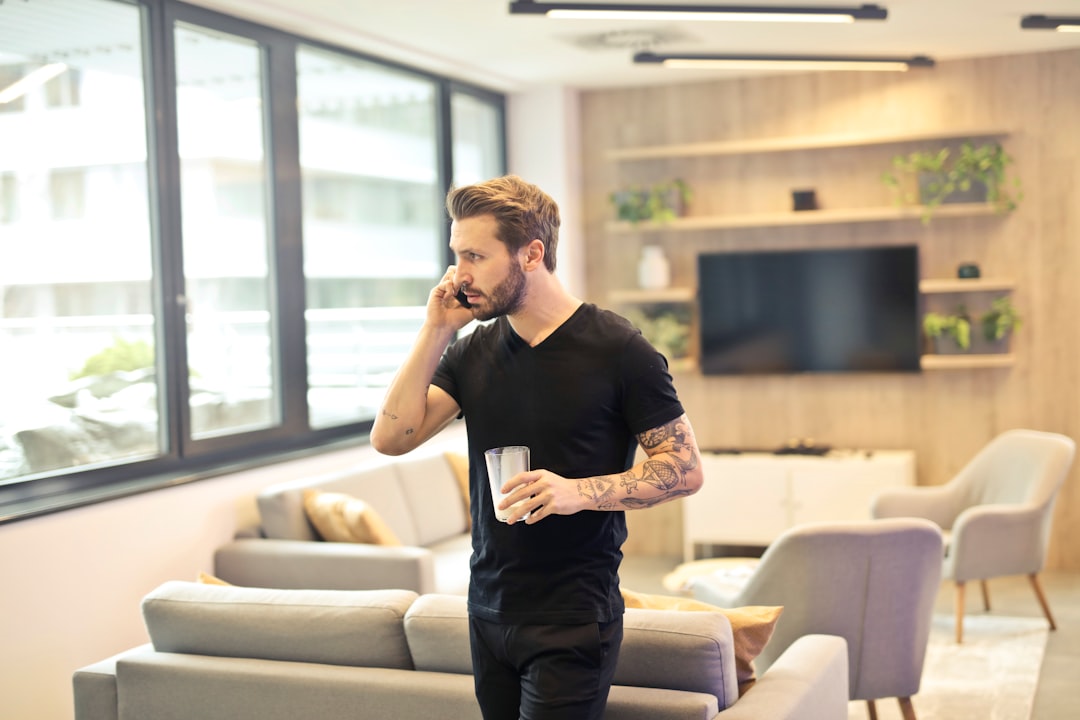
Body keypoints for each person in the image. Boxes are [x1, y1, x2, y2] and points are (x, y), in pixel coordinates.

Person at [370, 174, 703, 720]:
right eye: (457, 255)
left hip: (573, 615)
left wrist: (577, 492)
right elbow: (391, 438)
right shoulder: (471, 351)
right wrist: (435, 330)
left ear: (531, 254)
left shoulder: (620, 348)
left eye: (475, 256)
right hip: (488, 608)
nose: (460, 275)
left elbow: (685, 469)